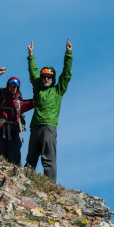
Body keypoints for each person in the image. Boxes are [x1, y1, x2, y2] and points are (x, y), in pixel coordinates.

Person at [24, 38, 73, 182]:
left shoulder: (58, 90)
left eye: (49, 77)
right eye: (44, 76)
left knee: (48, 158)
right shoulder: (38, 88)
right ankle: (25, 182)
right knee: (31, 158)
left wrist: (68, 53)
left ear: (53, 78)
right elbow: (33, 73)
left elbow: (66, 74)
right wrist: (31, 55)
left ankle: (50, 186)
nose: (46, 79)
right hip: (35, 127)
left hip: (49, 127)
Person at [0, 67, 35, 166]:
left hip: (14, 133)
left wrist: (34, 86)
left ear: (17, 89)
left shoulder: (20, 104)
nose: (12, 88)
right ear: (7, 86)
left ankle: (15, 177)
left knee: (14, 161)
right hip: (0, 132)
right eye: (10, 86)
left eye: (14, 87)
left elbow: (35, 102)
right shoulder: (1, 100)